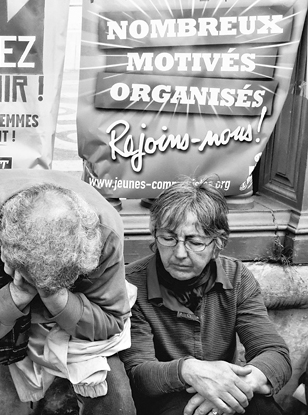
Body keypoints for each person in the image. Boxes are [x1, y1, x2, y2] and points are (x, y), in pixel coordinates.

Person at [0, 169, 136, 414]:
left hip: (71, 305)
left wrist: (56, 297)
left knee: (116, 401)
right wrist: (18, 294)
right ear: (6, 256)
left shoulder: (103, 231)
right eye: (38, 283)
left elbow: (111, 320)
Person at [121, 178, 291, 415]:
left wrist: (231, 387)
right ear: (154, 234)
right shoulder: (132, 284)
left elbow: (275, 354)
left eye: (195, 242)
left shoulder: (237, 277)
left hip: (227, 390)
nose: (179, 253)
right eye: (168, 238)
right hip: (164, 398)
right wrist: (189, 370)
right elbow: (139, 374)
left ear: (217, 243)